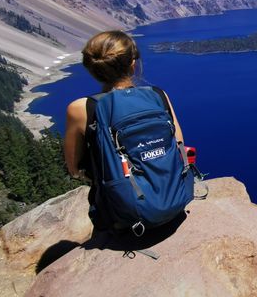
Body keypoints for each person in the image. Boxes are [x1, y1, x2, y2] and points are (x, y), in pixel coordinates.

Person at [64, 30, 185, 229]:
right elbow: (179, 145)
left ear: (92, 68)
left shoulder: (82, 109)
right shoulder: (158, 95)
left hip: (121, 218)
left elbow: (74, 168)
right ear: (133, 64)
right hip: (175, 202)